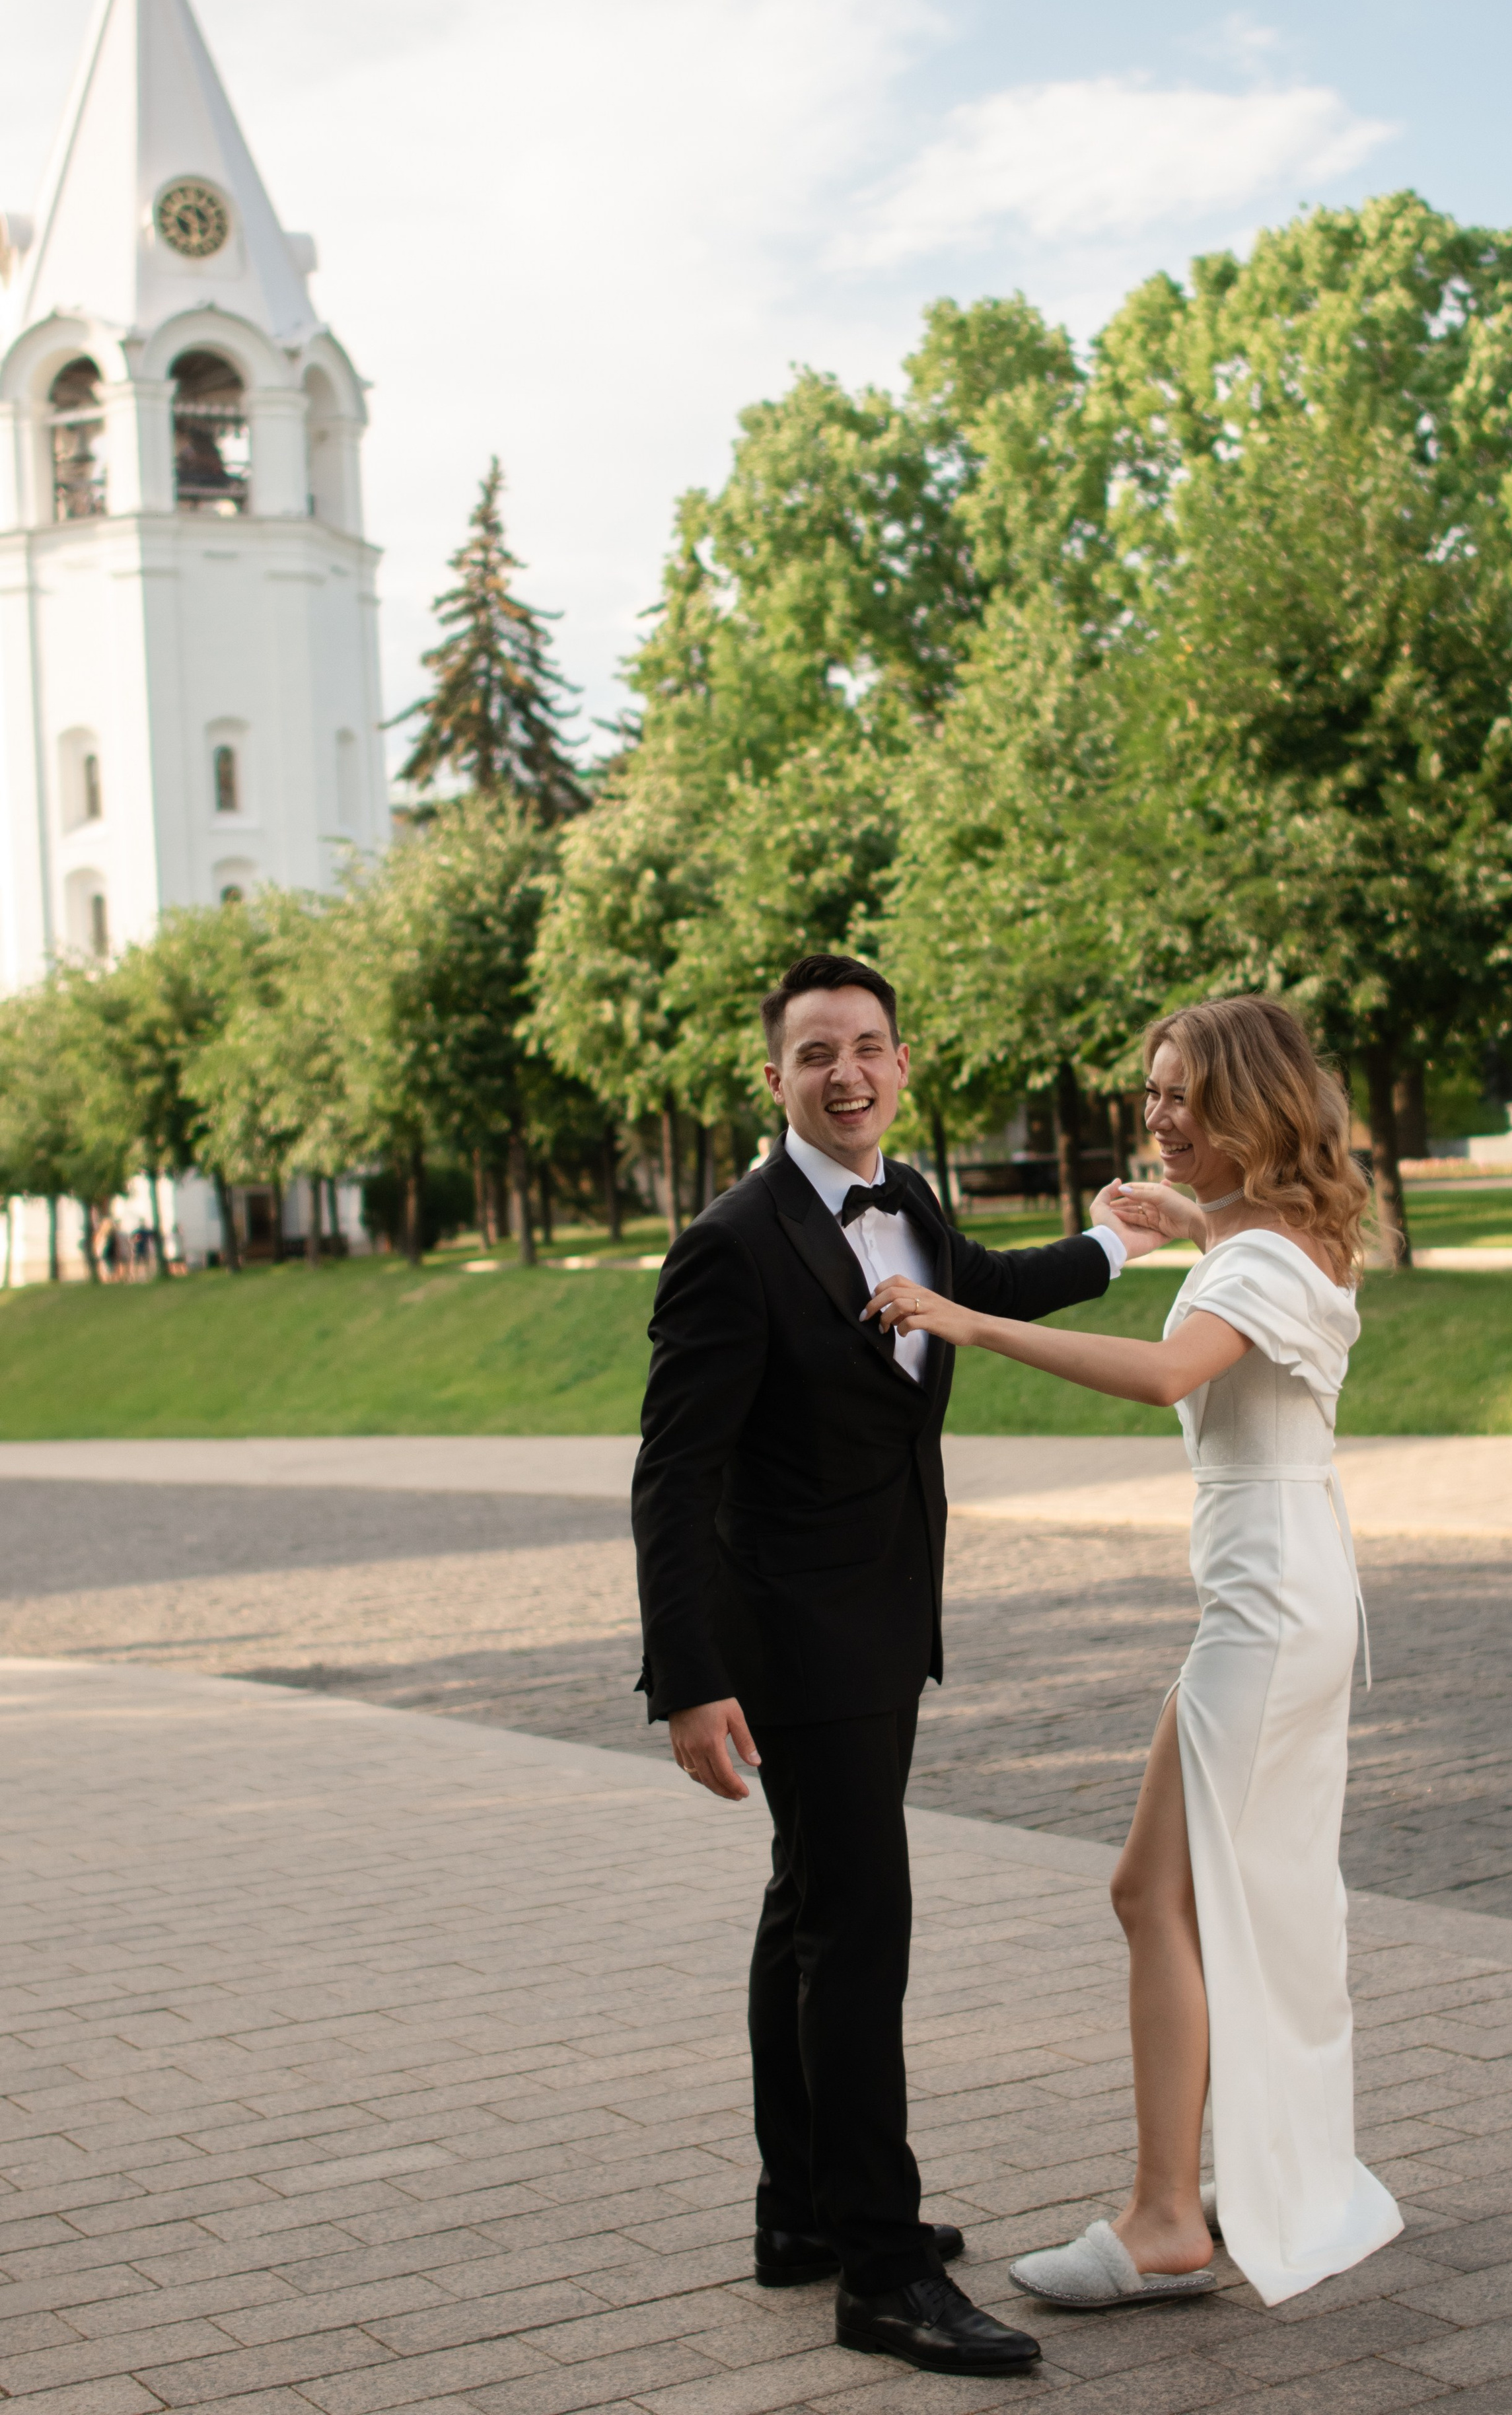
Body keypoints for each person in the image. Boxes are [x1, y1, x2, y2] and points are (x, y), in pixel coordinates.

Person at [632, 953, 1132, 2379]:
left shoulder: (912, 1196)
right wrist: (688, 1676)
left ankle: (801, 2214)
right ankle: (881, 2268)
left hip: (884, 1617)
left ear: (900, 1063)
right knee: (860, 1933)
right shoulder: (732, 1241)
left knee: (808, 1912)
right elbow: (673, 1477)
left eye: (866, 1048)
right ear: (774, 1078)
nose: (843, 1073)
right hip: (795, 1642)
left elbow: (981, 1287)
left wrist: (1109, 1243)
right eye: (813, 1054)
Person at [865, 994, 1404, 2313]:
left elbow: (1169, 1374)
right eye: (1150, 1092)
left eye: (1176, 1097)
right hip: (1277, 1596)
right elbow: (1244, 1267)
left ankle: (1166, 2216)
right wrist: (1191, 1220)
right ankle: (1253, 2172)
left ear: (1245, 1108)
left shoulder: (1261, 1260)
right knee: (1200, 1896)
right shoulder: (1282, 1232)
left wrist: (966, 1320)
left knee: (1162, 1896)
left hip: (1266, 1609)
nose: (1152, 1117)